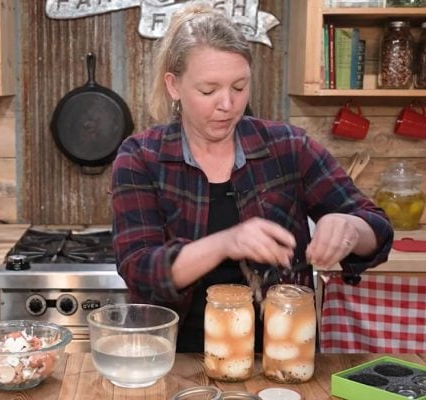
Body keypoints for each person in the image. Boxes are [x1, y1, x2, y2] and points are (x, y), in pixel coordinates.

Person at [110, 3, 393, 353]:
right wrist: (225, 243)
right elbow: (140, 269)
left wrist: (351, 228)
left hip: (281, 356)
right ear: (174, 85)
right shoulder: (141, 157)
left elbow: (377, 229)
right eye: (208, 90)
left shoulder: (288, 147)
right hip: (176, 359)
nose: (227, 104)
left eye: (239, 87)